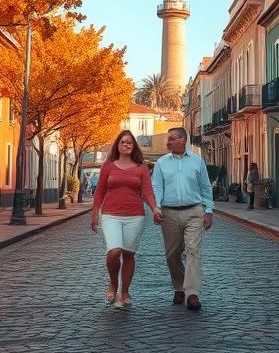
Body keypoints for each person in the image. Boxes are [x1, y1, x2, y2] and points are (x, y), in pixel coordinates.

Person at [91, 130, 162, 309]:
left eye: (130, 142)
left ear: (134, 146)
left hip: (135, 216)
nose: (126, 145)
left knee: (129, 254)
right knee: (114, 251)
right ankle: (113, 283)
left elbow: (147, 191)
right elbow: (100, 191)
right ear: (118, 145)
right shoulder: (108, 166)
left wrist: (155, 208)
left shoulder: (141, 168)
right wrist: (95, 214)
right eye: (123, 142)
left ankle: (124, 292)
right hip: (110, 215)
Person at [151, 127, 214, 311]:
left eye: (171, 139)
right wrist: (156, 208)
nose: (167, 142)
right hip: (169, 213)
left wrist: (208, 210)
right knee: (172, 254)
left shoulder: (197, 161)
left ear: (182, 140)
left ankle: (192, 293)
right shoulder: (161, 163)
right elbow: (157, 188)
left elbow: (205, 187)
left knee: (193, 250)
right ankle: (179, 286)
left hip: (194, 211)